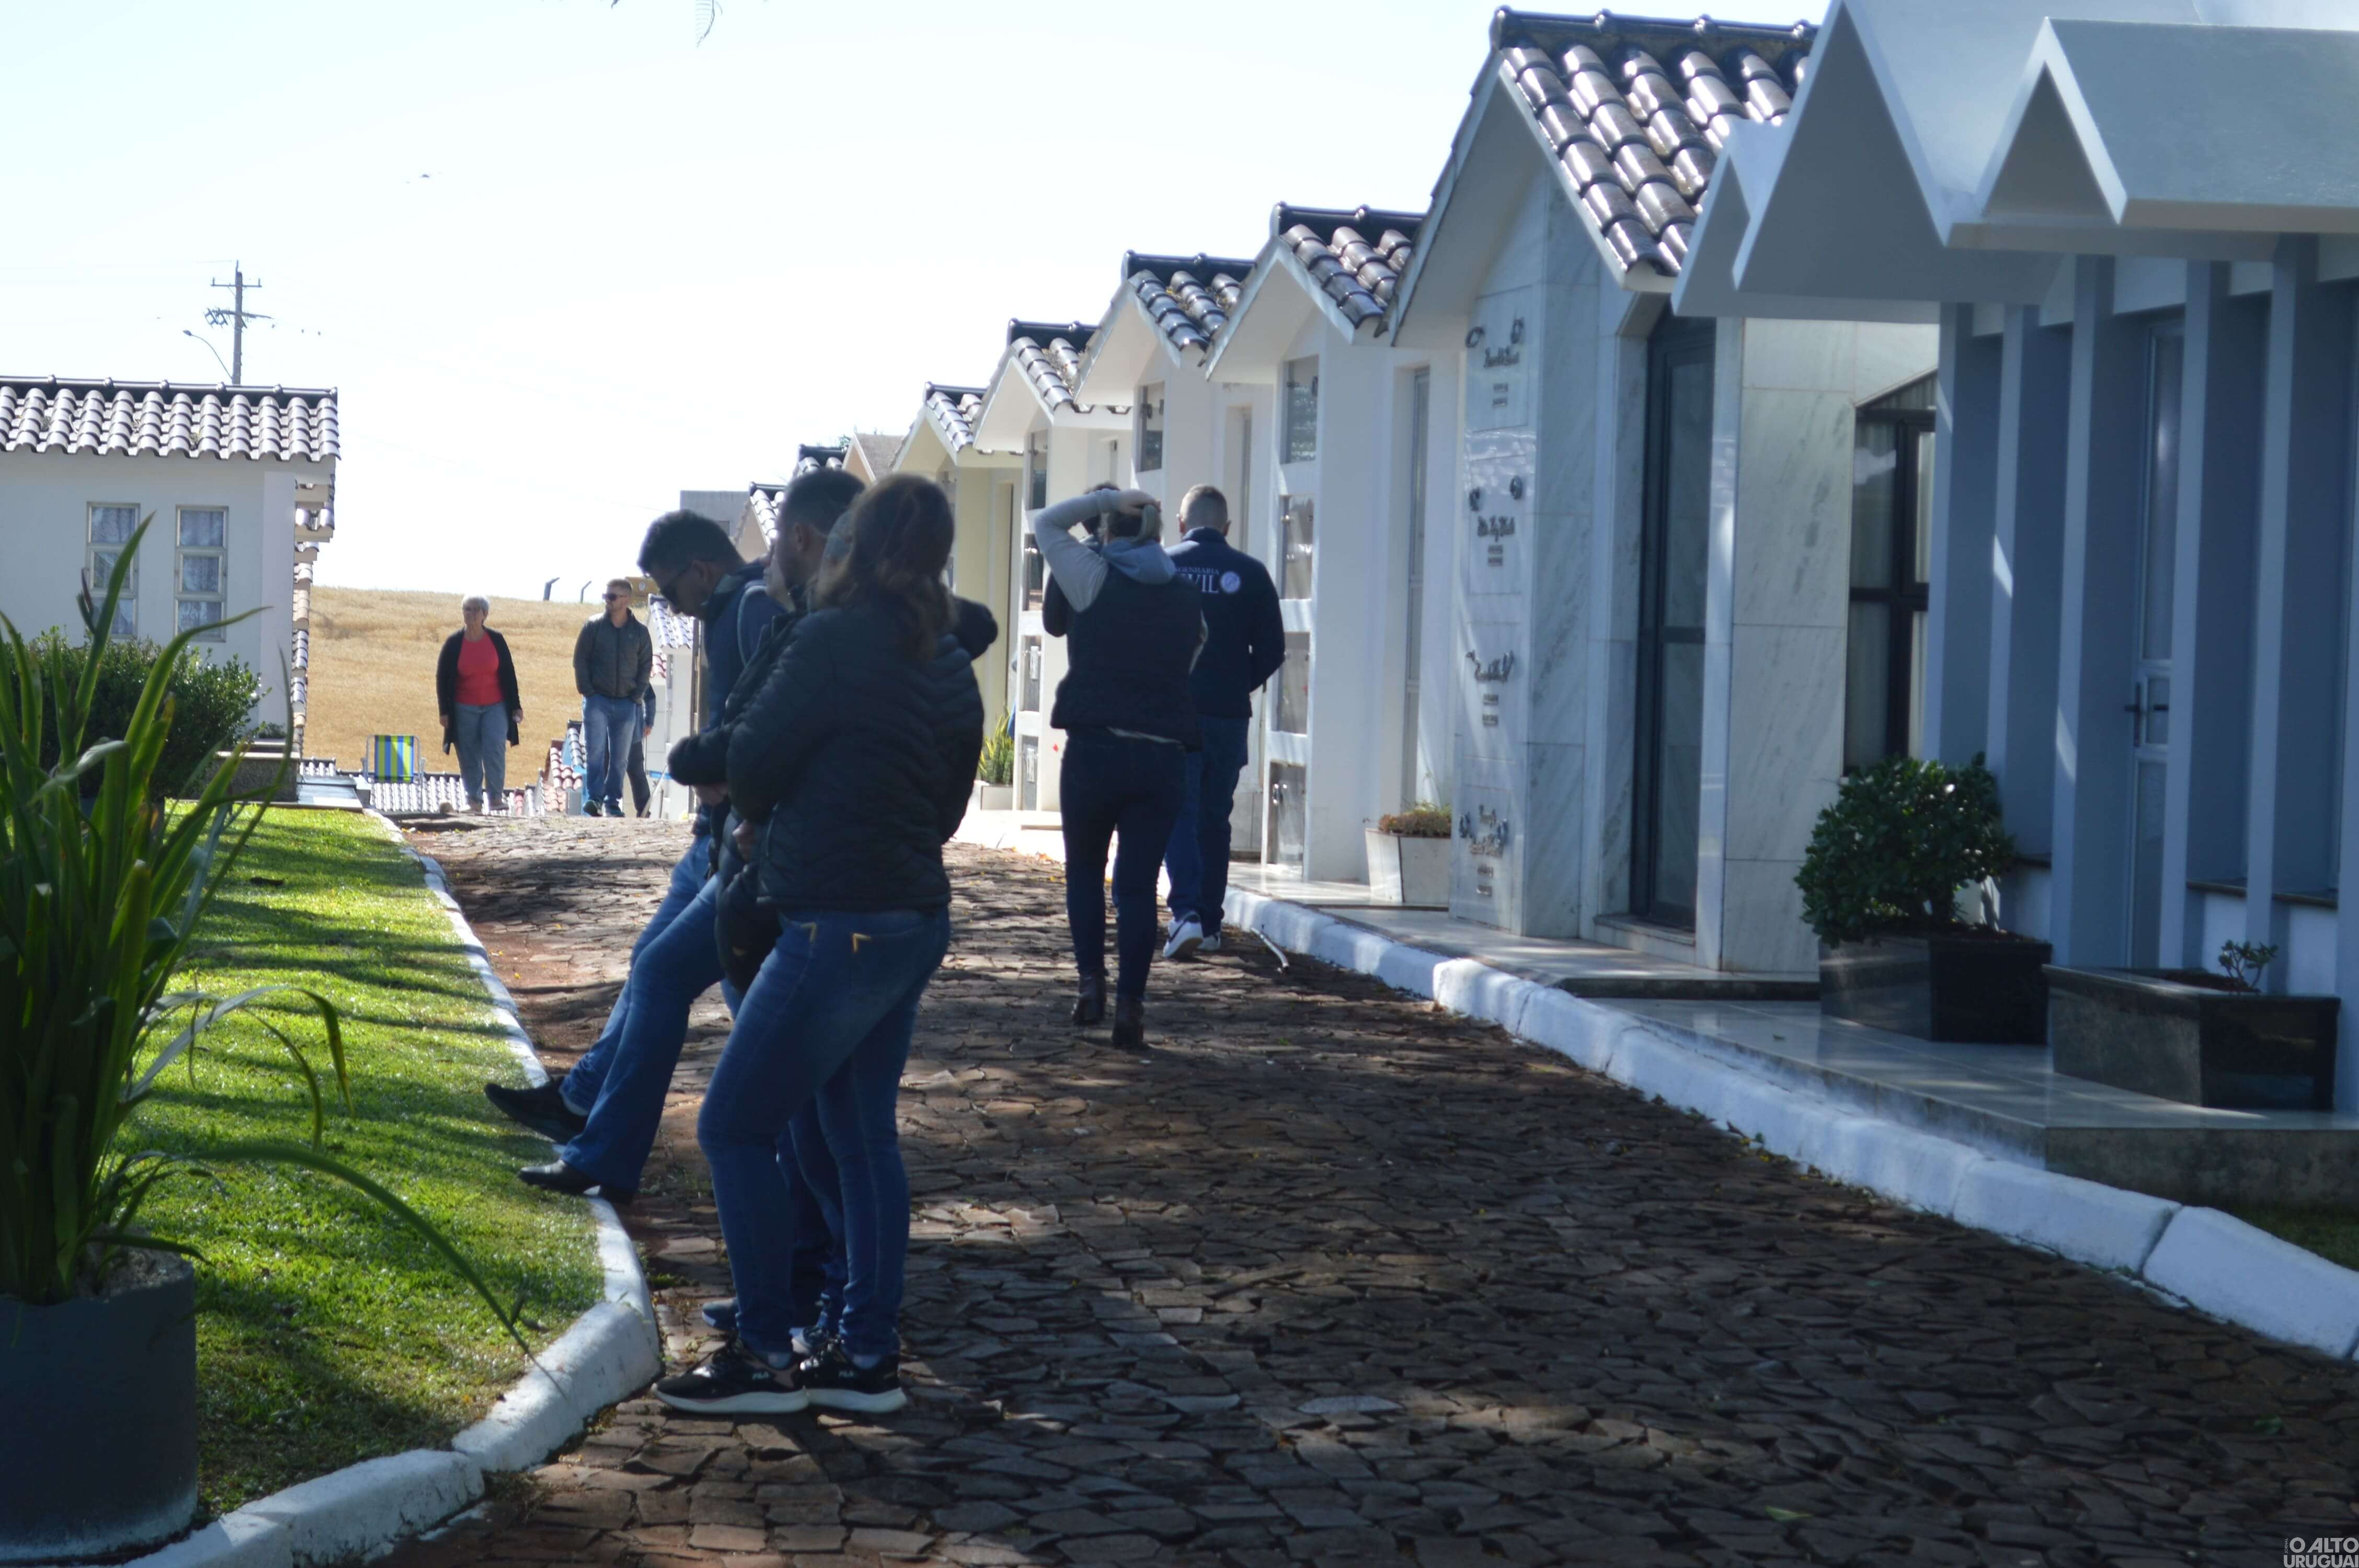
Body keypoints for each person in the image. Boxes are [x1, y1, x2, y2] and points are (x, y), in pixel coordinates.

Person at [650, 475, 982, 1417]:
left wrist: (772, 808)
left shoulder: (833, 639)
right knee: (860, 1136)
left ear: (850, 547)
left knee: (734, 1125)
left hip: (835, 920)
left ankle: (763, 1354)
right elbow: (947, 804)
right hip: (912, 914)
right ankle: (864, 1354)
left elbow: (749, 761)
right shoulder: (947, 654)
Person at [485, 508, 790, 1150]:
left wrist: (734, 779)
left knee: (736, 1009)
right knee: (657, 971)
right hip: (716, 832)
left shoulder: (751, 611)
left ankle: (599, 1121)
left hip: (740, 837)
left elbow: (778, 716)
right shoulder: (731, 609)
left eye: (668, 590)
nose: (668, 605)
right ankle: (589, 1113)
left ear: (700, 570)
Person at [1036, 486, 1202, 1052]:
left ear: (1109, 532)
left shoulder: (1093, 578)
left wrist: (1106, 496)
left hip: (1096, 752)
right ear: (1158, 534)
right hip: (1161, 758)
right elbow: (1190, 661)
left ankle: (1090, 987)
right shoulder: (1185, 600)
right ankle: (1132, 1004)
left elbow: (1048, 524)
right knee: (1137, 886)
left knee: (1084, 871)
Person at [1161, 485, 1284, 958]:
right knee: (1215, 819)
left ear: (1180, 523)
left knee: (1181, 813)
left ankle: (1186, 913)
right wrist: (1236, 683)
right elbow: (1273, 651)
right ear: (1228, 527)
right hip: (1230, 716)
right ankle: (1210, 923)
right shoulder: (1252, 573)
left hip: (1176, 713)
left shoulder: (1164, 567)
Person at [435, 595, 523, 813]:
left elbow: (509, 674)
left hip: (496, 706)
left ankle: (495, 798)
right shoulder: (454, 643)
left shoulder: (496, 640)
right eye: (467, 609)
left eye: (476, 610)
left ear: (485, 614)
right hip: (463, 707)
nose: (470, 614)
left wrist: (516, 706)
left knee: (494, 748)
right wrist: (444, 711)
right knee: (468, 753)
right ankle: (474, 801)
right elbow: (442, 678)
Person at [574, 578, 654, 817]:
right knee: (596, 753)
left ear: (626, 599)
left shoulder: (640, 632)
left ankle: (612, 803)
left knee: (621, 759)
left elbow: (645, 666)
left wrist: (636, 697)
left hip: (627, 704)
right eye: (606, 596)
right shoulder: (593, 626)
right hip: (597, 701)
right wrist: (588, 690)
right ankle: (595, 799)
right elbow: (581, 659)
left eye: (612, 596)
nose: (607, 601)